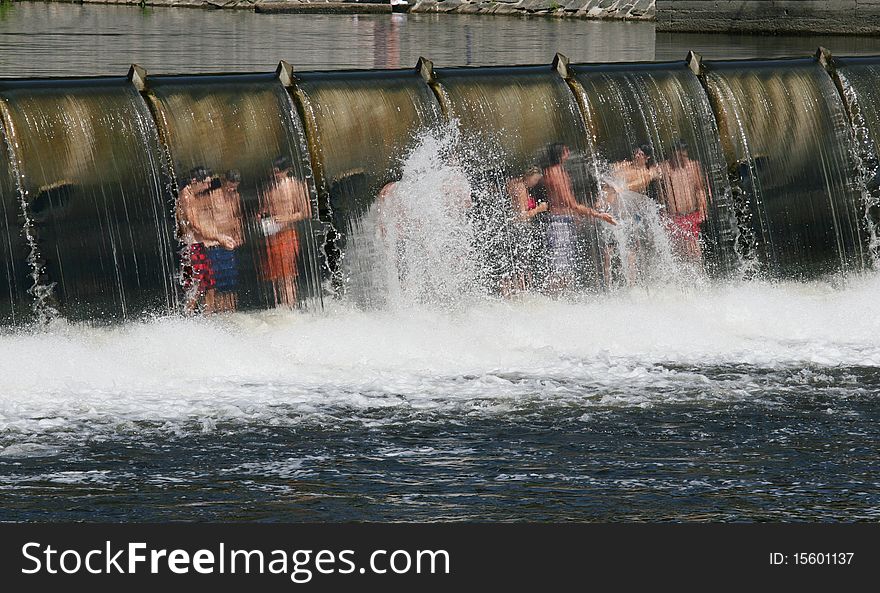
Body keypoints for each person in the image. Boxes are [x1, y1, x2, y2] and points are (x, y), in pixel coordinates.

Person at [541, 143, 616, 289]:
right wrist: (599, 215)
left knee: (564, 266)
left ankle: (562, 300)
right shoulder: (556, 173)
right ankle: (557, 301)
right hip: (560, 224)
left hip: (562, 221)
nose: (569, 152)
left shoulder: (553, 171)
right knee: (561, 268)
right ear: (562, 153)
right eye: (567, 150)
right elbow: (571, 204)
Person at [260, 156, 312, 307]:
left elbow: (306, 211)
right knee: (275, 276)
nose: (275, 174)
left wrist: (286, 219)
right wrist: (261, 214)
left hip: (288, 234)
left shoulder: (296, 186)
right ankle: (281, 308)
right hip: (271, 234)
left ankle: (290, 306)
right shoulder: (268, 187)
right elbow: (264, 208)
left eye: (277, 172)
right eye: (273, 171)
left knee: (288, 275)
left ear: (287, 170)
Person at [658, 139, 708, 261]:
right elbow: (658, 190)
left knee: (695, 251)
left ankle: (700, 277)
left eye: (685, 155)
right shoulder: (664, 168)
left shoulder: (693, 166)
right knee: (678, 253)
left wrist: (703, 208)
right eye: (681, 155)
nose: (683, 159)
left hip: (691, 214)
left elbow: (700, 188)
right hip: (673, 216)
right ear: (673, 154)